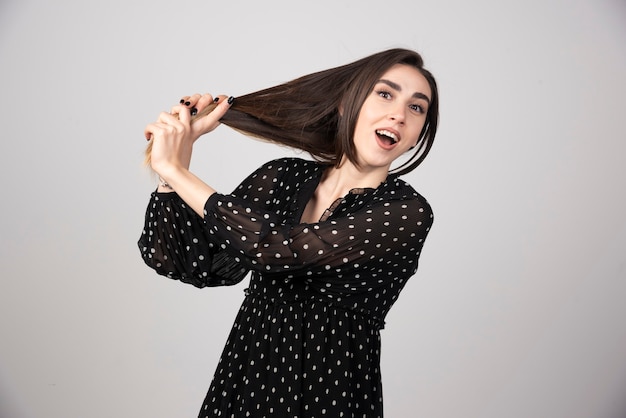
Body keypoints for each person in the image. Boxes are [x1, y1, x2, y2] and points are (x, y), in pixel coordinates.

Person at [138, 48, 439, 417]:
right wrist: (171, 176)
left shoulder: (404, 213)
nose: (399, 113)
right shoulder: (282, 177)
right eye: (386, 93)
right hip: (246, 382)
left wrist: (179, 172)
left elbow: (276, 250)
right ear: (347, 104)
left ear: (417, 134)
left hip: (332, 395)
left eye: (417, 107)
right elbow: (193, 264)